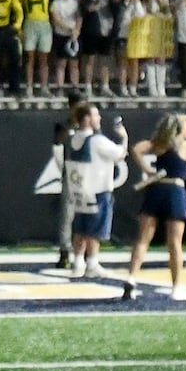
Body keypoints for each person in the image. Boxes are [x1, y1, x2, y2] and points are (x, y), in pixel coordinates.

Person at [124, 113, 186, 293]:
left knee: (143, 239)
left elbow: (136, 149)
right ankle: (176, 286)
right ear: (181, 129)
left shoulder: (159, 144)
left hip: (156, 190)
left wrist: (148, 171)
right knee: (174, 242)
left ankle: (131, 277)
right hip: (175, 192)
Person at [58, 99, 126, 284]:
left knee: (80, 227)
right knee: (95, 229)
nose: (99, 118)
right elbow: (119, 153)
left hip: (80, 190)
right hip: (98, 189)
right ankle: (92, 263)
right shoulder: (96, 140)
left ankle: (78, 261)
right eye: (95, 115)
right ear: (87, 119)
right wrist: (123, 137)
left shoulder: (72, 138)